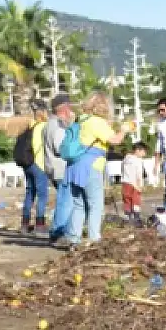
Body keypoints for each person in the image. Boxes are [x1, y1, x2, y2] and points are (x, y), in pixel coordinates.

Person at [63, 92, 117, 247]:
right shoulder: (97, 122)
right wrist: (125, 129)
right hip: (91, 167)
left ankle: (74, 238)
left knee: (79, 204)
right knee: (95, 204)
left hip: (74, 166)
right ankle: (94, 238)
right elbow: (115, 140)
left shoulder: (80, 120)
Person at [42, 93, 75, 240]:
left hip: (53, 168)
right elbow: (60, 148)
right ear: (64, 109)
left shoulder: (49, 124)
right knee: (65, 202)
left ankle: (62, 230)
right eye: (69, 107)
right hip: (60, 169)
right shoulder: (57, 125)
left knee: (65, 201)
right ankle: (58, 232)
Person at [16, 103, 51, 233]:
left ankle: (24, 224)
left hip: (27, 164)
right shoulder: (43, 127)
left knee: (29, 193)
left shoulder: (29, 127)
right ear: (44, 114)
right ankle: (40, 225)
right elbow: (39, 147)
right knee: (42, 195)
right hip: (39, 164)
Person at [119, 144, 147, 224]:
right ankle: (137, 218)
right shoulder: (137, 160)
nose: (144, 154)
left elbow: (122, 169)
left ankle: (127, 217)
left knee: (127, 200)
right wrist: (138, 185)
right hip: (134, 183)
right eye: (143, 152)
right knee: (136, 200)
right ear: (137, 150)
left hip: (125, 182)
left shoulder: (126, 159)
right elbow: (138, 174)